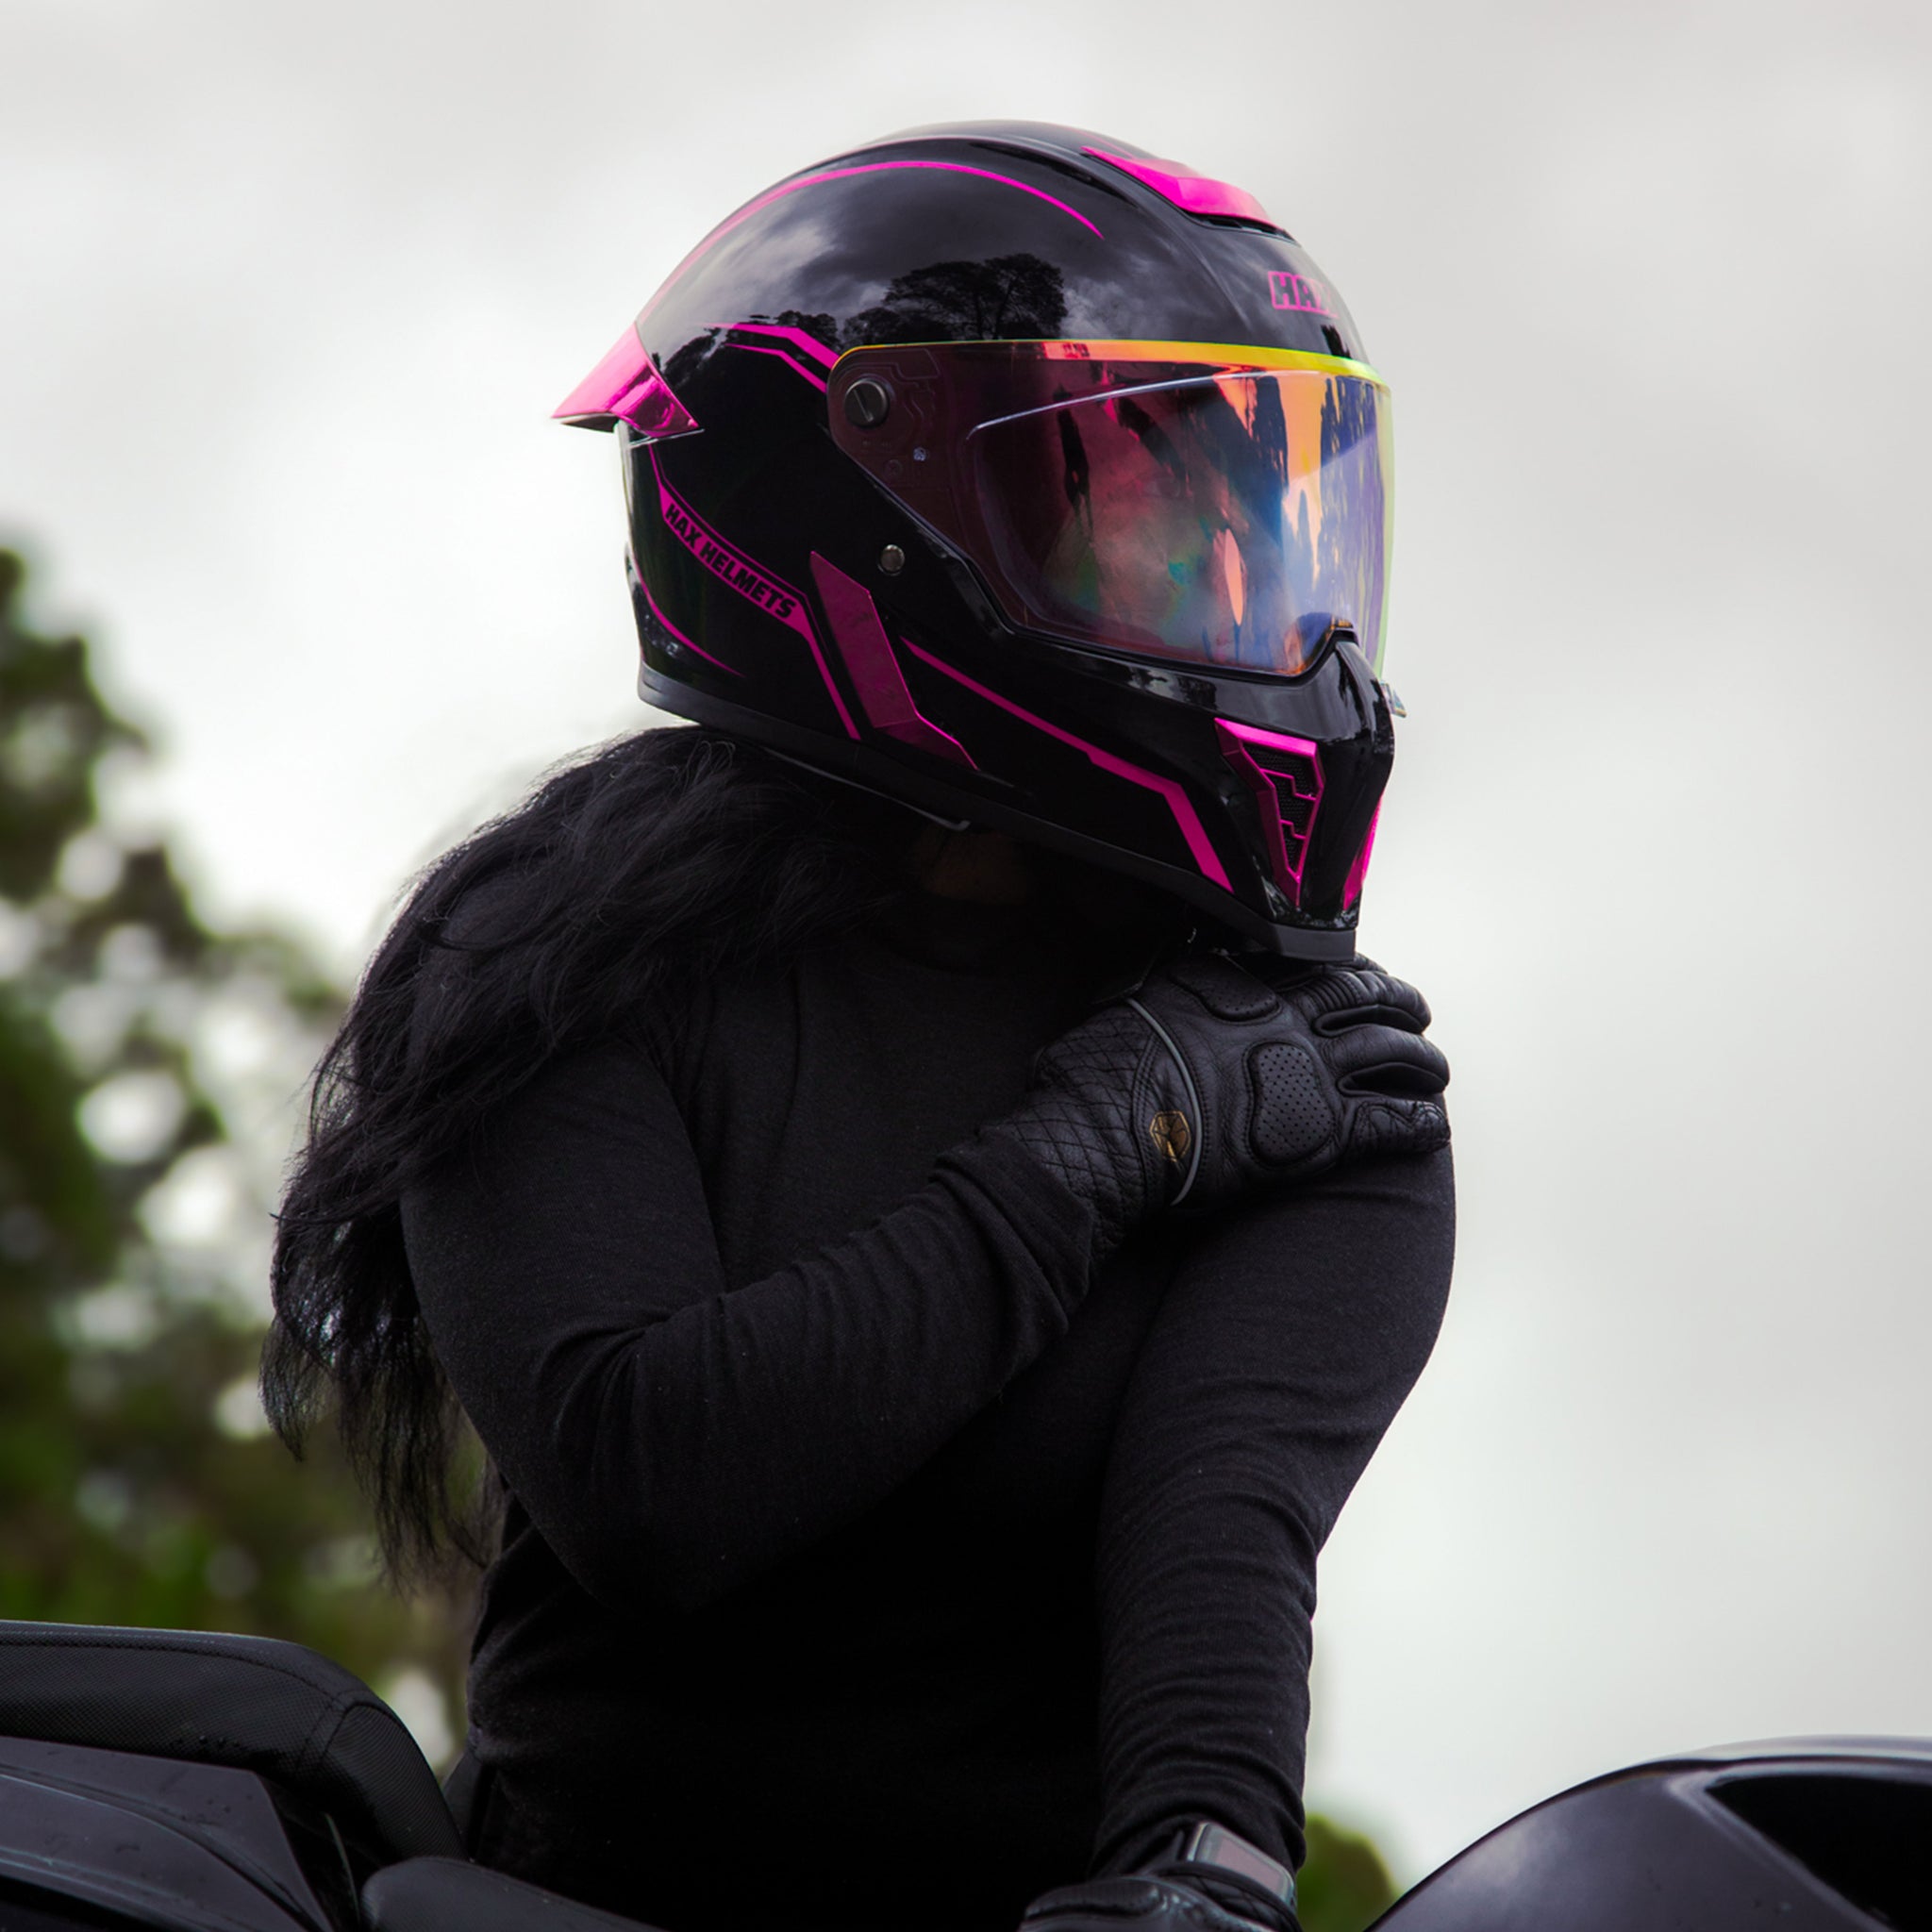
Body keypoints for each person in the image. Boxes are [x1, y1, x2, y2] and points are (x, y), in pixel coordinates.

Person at [264, 122, 1456, 1932]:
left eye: (1260, 517)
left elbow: (1221, 1522)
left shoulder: (1305, 1078)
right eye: (1143, 504)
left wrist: (1205, 1869)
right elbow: (652, 1478)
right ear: (859, 518)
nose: (1234, 584)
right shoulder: (557, 952)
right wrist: (1096, 1146)